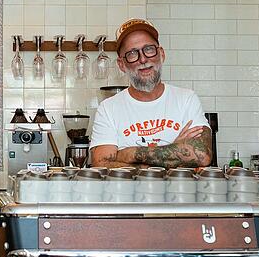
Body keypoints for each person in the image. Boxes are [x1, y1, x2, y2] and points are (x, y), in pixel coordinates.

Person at [90, 18, 212, 168]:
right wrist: (175, 152)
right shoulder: (108, 108)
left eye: (148, 49)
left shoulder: (186, 99)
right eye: (132, 53)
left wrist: (129, 154)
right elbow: (101, 164)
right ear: (121, 64)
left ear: (161, 54)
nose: (143, 59)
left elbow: (201, 154)